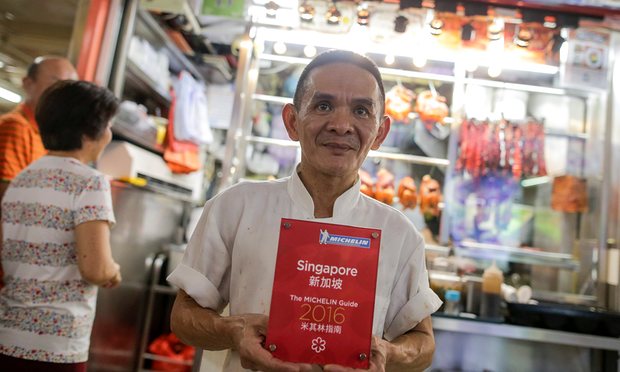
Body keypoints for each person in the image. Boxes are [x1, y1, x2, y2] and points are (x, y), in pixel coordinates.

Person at [167, 49, 442, 372]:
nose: (341, 125)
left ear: (380, 132)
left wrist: (388, 353)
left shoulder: (400, 234)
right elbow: (183, 316)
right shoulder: (236, 206)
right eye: (323, 106)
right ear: (292, 122)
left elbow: (423, 343)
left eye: (361, 110)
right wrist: (234, 330)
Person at [0, 80, 121, 371]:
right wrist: (113, 271)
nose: (109, 133)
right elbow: (95, 269)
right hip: (56, 344)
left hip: (7, 334)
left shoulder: (21, 179)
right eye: (107, 125)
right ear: (90, 131)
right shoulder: (90, 182)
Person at [0, 56, 78, 201]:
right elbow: (8, 197)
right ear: (28, 83)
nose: (66, 95)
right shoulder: (16, 127)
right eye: (57, 83)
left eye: (71, 87)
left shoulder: (48, 135)